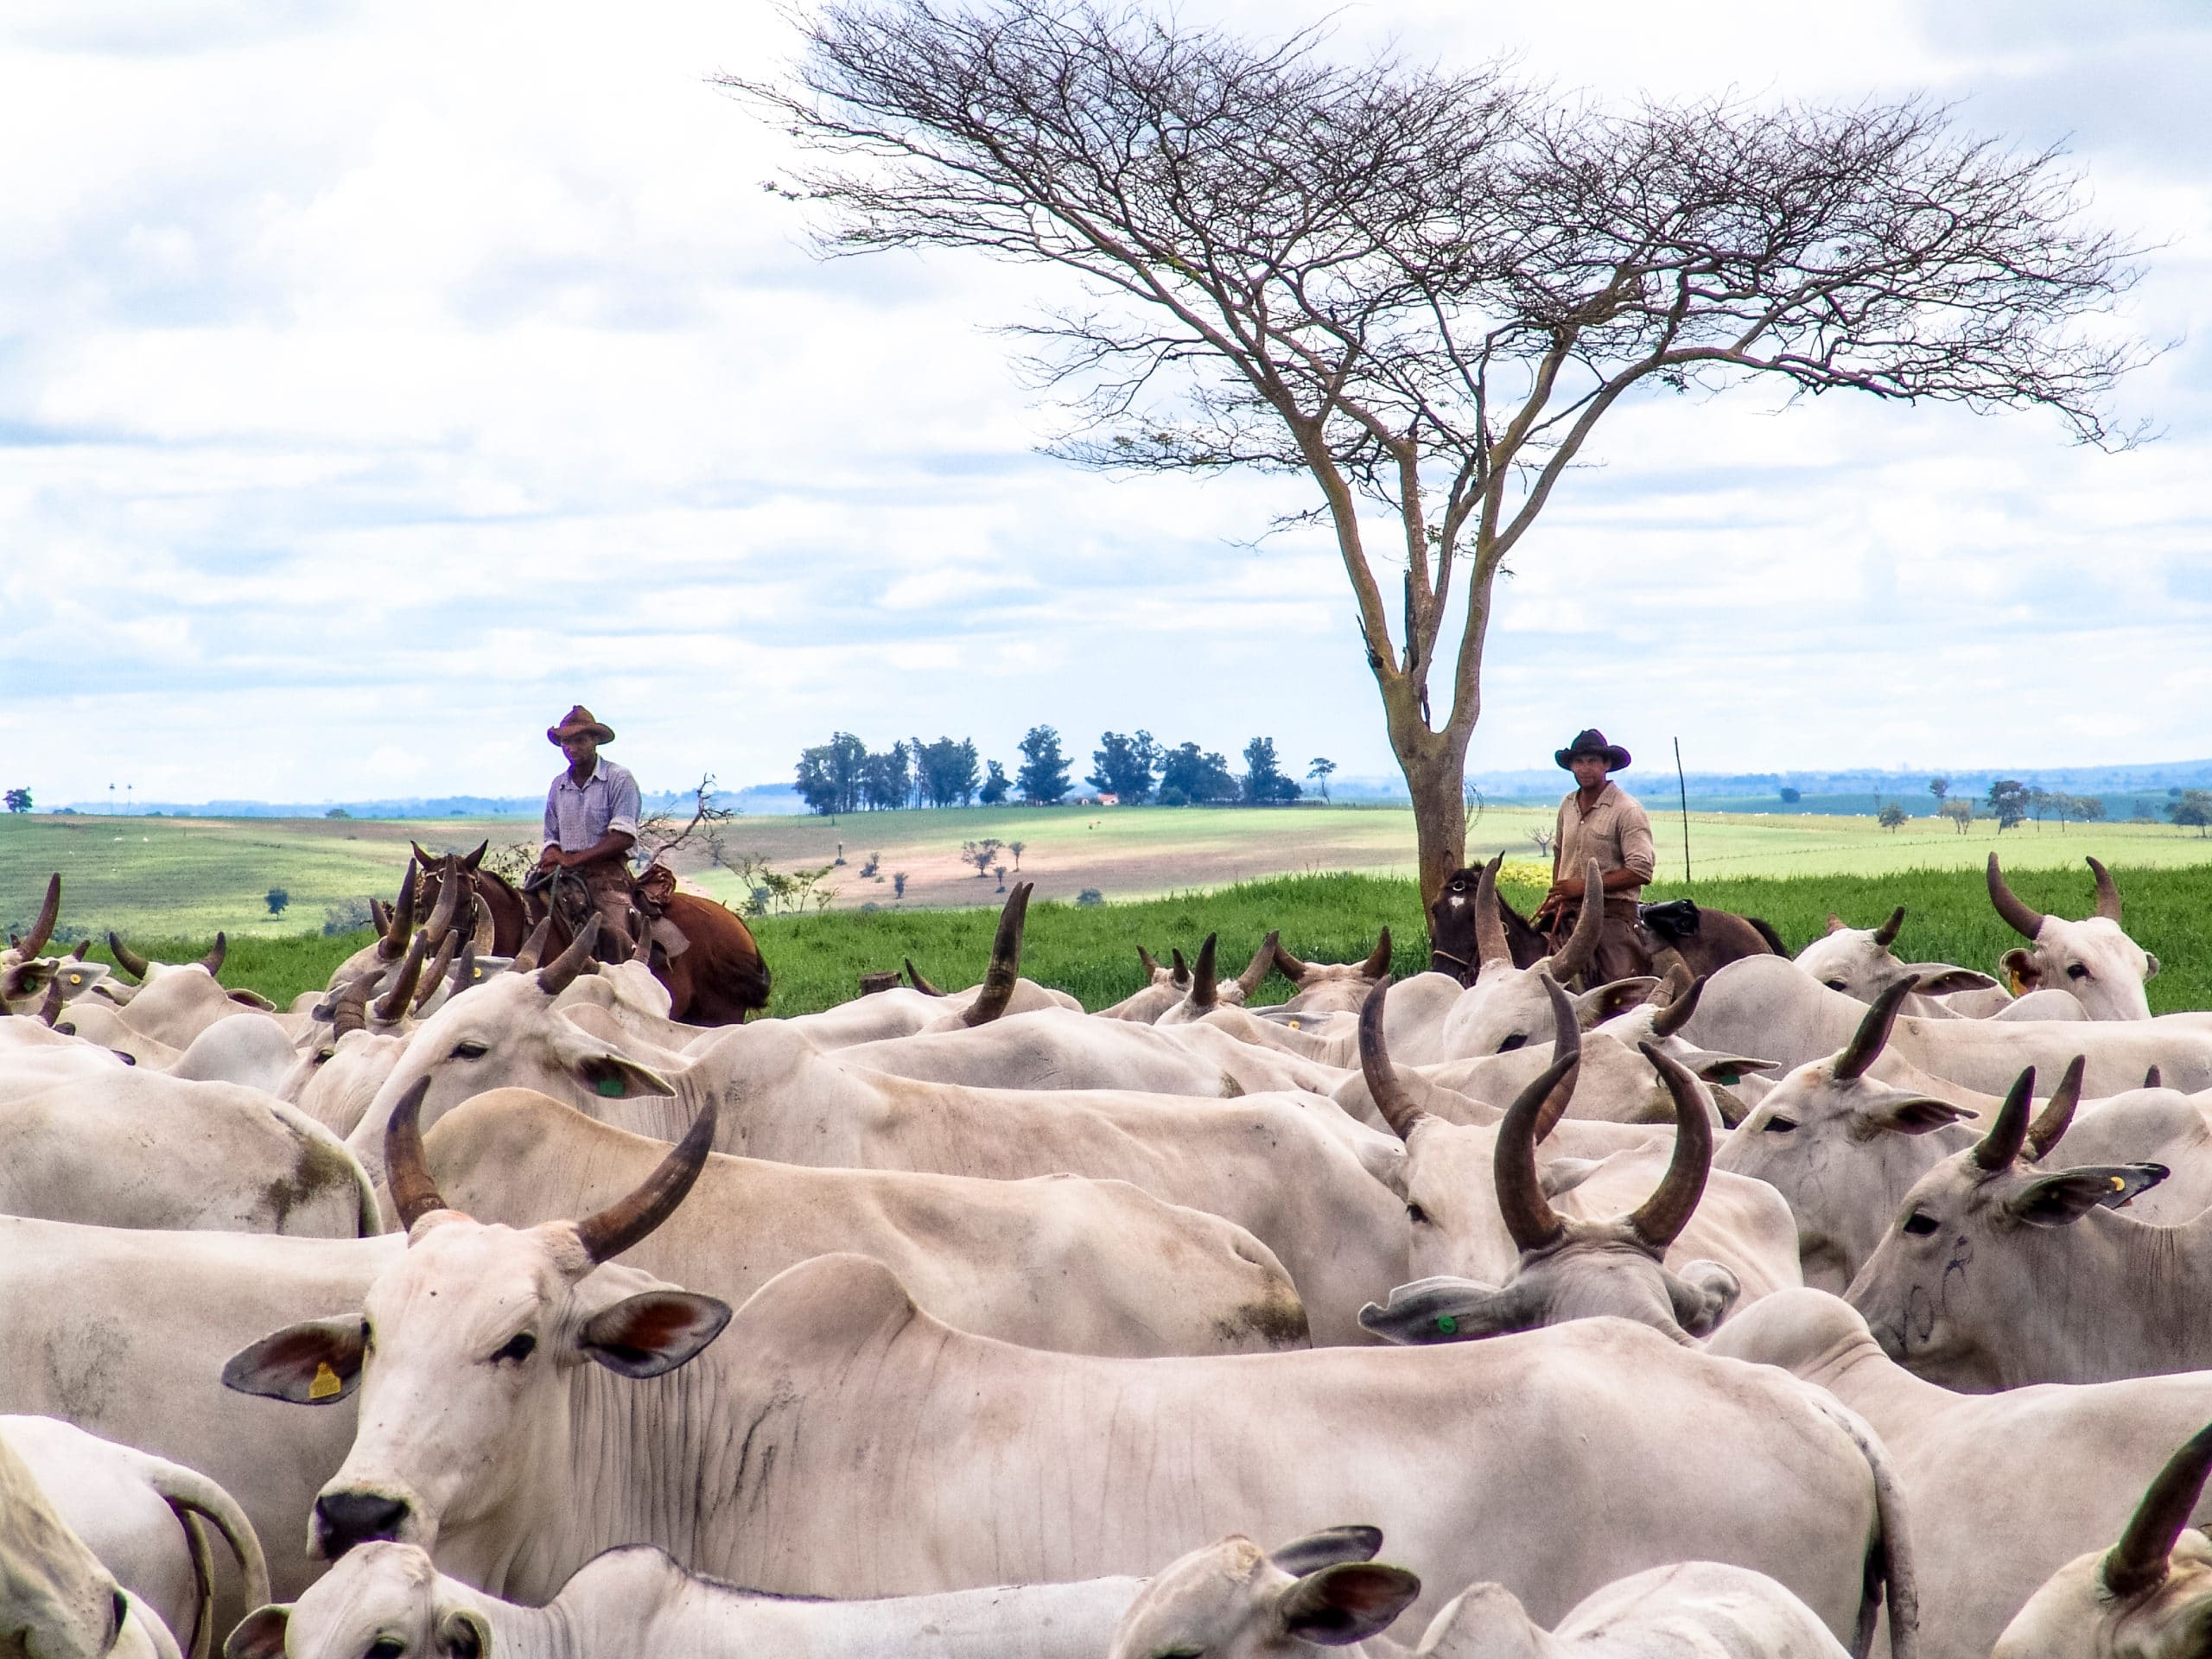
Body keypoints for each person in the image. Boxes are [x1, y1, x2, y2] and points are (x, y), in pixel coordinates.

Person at [1531, 728, 1656, 984]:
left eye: (1592, 761)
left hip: (1611, 912)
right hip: (1566, 909)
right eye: (1579, 761)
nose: (1584, 768)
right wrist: (1557, 893)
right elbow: (1559, 853)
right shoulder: (1567, 804)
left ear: (1606, 764)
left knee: (1616, 980)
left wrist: (1584, 886)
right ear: (1571, 766)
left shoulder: (1627, 809)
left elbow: (1641, 870)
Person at [537, 706, 641, 958]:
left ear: (595, 740)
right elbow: (551, 835)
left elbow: (623, 837)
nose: (571, 748)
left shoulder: (619, 778)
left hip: (607, 877)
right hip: (564, 877)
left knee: (615, 936)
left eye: (579, 740)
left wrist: (572, 859)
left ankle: (629, 975)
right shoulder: (558, 785)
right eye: (566, 742)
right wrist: (552, 855)